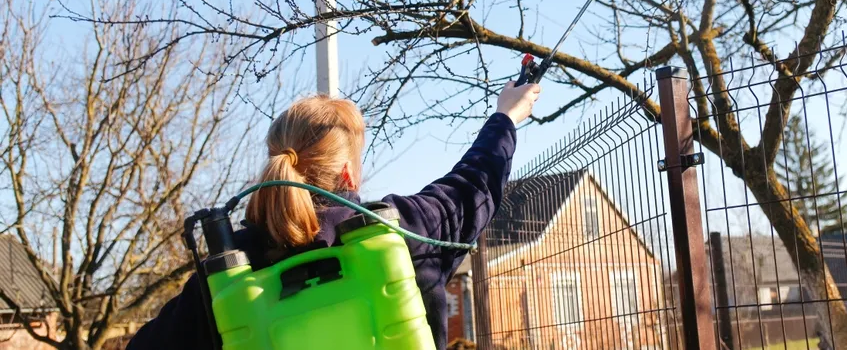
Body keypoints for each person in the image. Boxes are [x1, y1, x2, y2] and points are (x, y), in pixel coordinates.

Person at [126, 79, 541, 350]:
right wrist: (506, 116)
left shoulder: (229, 273)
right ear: (347, 172)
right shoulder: (402, 230)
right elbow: (475, 183)